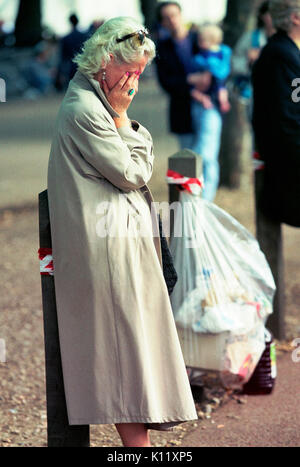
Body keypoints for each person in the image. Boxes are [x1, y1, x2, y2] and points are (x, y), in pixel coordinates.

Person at [47, 16, 197, 448]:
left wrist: (121, 120)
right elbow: (133, 172)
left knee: (135, 350)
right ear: (105, 61)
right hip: (109, 251)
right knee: (126, 354)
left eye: (140, 73)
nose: (134, 81)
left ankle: (142, 444)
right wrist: (125, 119)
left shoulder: (94, 105)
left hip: (118, 244)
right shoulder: (87, 110)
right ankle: (139, 449)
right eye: (130, 71)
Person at [252, 0, 300, 228]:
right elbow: (288, 116)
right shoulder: (280, 56)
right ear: (295, 18)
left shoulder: (289, 51)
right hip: (288, 165)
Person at [155, 1, 212, 151]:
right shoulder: (162, 48)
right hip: (182, 109)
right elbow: (165, 81)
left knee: (207, 156)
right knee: (187, 158)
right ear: (162, 23)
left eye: (174, 15)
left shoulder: (200, 40)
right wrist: (189, 82)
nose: (172, 20)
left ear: (181, 16)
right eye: (166, 18)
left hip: (207, 104)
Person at [186, 23, 232, 201]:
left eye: (203, 40)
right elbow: (193, 80)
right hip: (204, 101)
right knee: (202, 151)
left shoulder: (218, 55)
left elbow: (220, 75)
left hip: (211, 103)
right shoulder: (199, 58)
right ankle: (195, 188)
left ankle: (205, 196)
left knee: (206, 153)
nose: (200, 43)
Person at [232, 1, 275, 104]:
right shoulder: (250, 38)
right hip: (254, 93)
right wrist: (249, 61)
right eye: (270, 13)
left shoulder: (289, 39)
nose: (274, 17)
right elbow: (234, 63)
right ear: (262, 16)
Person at [55, 13, 89, 89]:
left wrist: (60, 71)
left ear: (70, 22)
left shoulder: (66, 38)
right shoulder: (84, 36)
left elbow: (62, 56)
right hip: (83, 65)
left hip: (70, 66)